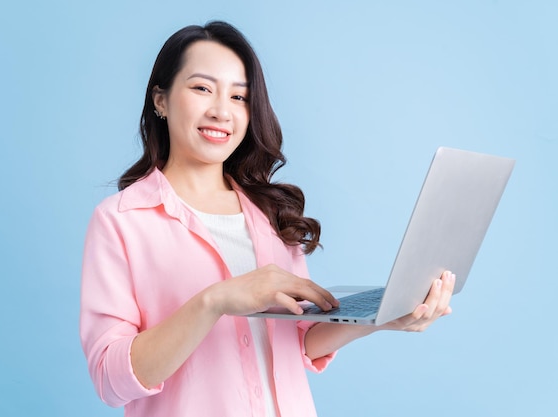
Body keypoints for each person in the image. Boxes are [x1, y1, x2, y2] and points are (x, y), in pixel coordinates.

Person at [79, 21, 455, 417]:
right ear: (161, 100)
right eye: (202, 88)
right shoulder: (120, 222)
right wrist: (214, 301)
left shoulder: (269, 213)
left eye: (239, 96)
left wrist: (381, 318)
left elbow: (298, 340)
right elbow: (110, 377)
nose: (222, 111)